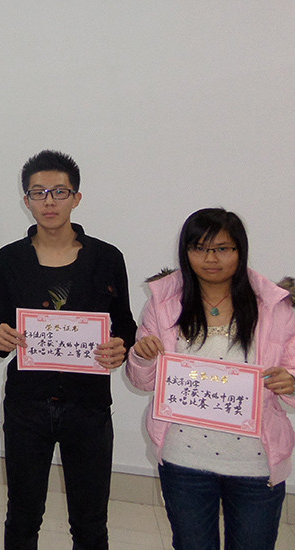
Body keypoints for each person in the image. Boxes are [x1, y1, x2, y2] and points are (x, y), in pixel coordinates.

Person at [0, 150, 137, 549]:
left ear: (77, 198)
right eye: (38, 192)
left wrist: (120, 347)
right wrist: (0, 337)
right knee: (23, 517)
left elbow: (124, 324)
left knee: (90, 523)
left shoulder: (106, 258)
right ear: (26, 201)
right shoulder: (8, 260)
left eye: (59, 191)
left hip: (88, 406)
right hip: (27, 405)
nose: (49, 201)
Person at [126, 208, 295, 550]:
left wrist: (290, 382)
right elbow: (142, 381)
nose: (211, 258)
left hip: (255, 464)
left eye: (222, 249)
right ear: (186, 252)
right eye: (199, 248)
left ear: (240, 250)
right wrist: (142, 357)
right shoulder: (164, 303)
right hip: (183, 460)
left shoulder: (276, 306)